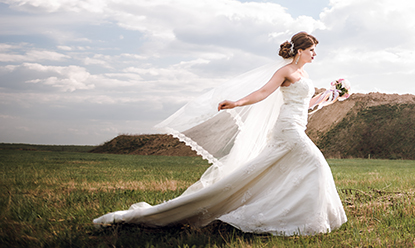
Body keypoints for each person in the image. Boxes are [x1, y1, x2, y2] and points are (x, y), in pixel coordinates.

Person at [93, 32, 347, 236]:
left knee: (274, 172)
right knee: (316, 163)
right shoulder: (285, 72)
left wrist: (330, 96)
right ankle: (307, 219)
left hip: (297, 124)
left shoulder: (304, 74)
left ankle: (289, 213)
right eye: (312, 49)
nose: (315, 54)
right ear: (300, 50)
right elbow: (262, 93)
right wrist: (237, 103)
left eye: (315, 50)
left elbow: (306, 103)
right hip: (288, 128)